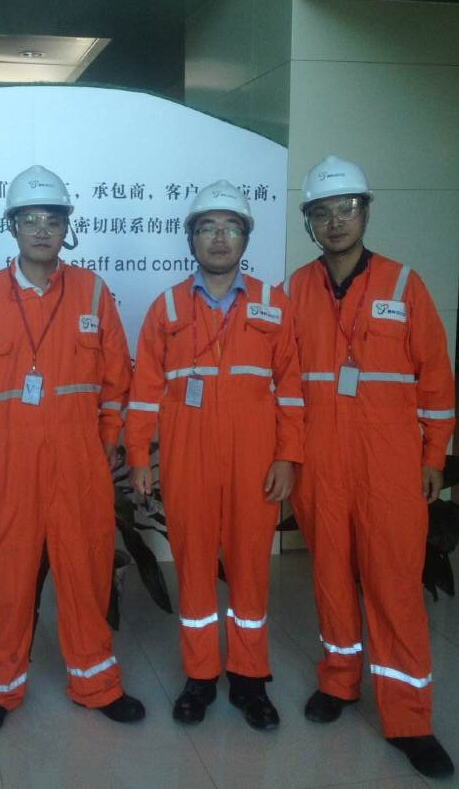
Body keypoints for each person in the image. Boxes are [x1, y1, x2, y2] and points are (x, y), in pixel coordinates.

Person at [0, 165, 145, 735]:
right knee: (6, 583)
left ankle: (96, 683)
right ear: (12, 226)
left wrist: (107, 442)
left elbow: (116, 381)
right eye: (29, 219)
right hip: (8, 469)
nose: (40, 230)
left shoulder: (92, 292)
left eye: (52, 219)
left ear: (66, 227)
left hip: (79, 464)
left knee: (86, 572)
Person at [286, 155, 455, 778]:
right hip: (320, 467)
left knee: (394, 588)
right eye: (322, 212)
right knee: (330, 578)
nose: (336, 221)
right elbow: (282, 383)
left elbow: (436, 381)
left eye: (347, 209)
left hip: (389, 470)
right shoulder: (294, 292)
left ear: (365, 213)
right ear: (309, 222)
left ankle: (409, 719)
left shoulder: (405, 286)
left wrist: (433, 456)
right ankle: (339, 680)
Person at [125, 180, 304, 728]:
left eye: (231, 227)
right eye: (208, 227)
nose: (220, 238)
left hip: (255, 463)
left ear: (246, 237)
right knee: (195, 568)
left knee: (250, 569)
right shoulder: (167, 307)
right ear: (191, 238)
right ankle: (200, 676)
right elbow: (144, 390)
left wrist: (287, 456)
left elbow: (291, 387)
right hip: (189, 462)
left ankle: (250, 678)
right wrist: (139, 456)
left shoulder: (273, 304)